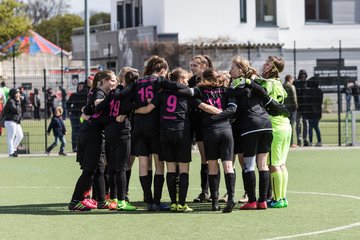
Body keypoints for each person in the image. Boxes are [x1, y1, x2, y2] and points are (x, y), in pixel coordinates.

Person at [68, 70, 118, 211]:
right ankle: (75, 201)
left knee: (99, 169)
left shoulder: (101, 92)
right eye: (112, 80)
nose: (114, 83)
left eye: (115, 81)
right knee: (89, 171)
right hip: (91, 135)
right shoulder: (99, 92)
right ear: (103, 81)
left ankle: (101, 200)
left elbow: (89, 110)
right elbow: (97, 103)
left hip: (94, 134)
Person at [228, 56, 272, 210]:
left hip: (250, 126)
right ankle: (263, 200)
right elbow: (265, 93)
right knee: (263, 164)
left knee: (249, 165)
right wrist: (250, 82)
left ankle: (252, 201)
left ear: (240, 69)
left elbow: (234, 108)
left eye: (232, 67)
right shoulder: (254, 83)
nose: (230, 70)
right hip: (266, 124)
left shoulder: (236, 86)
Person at [258, 56, 291, 208]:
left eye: (267, 64)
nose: (264, 65)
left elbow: (260, 89)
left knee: (273, 165)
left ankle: (278, 199)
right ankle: (282, 198)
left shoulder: (268, 83)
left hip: (275, 127)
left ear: (273, 68)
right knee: (281, 164)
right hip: (285, 125)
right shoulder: (279, 84)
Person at [188, 55, 215, 203]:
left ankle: (214, 192)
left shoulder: (212, 79)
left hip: (212, 123)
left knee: (214, 159)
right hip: (198, 123)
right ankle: (205, 192)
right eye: (191, 65)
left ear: (203, 66)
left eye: (195, 65)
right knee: (205, 159)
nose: (192, 68)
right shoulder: (191, 81)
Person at [66, 82, 87, 152]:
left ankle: (81, 146)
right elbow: (68, 103)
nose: (80, 87)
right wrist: (69, 111)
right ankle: (74, 147)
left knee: (82, 130)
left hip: (82, 116)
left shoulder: (86, 95)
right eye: (79, 86)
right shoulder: (74, 95)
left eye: (82, 86)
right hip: (74, 116)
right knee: (75, 131)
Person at [3, 88, 23, 157]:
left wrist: (18, 101)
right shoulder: (11, 101)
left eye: (19, 93)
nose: (18, 94)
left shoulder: (17, 101)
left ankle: (14, 149)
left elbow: (19, 112)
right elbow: (16, 110)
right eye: (16, 93)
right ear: (13, 94)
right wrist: (18, 102)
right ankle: (11, 153)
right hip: (10, 121)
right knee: (10, 137)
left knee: (20, 135)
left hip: (16, 122)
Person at [305, 80, 323, 147]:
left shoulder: (309, 91)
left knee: (310, 127)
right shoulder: (320, 91)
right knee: (316, 127)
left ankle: (310, 141)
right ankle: (319, 141)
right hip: (318, 111)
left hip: (310, 111)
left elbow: (306, 101)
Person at [294, 69, 309, 146]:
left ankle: (305, 139)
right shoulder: (296, 83)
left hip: (306, 107)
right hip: (298, 107)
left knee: (306, 123)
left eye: (304, 75)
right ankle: (299, 140)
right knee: (298, 124)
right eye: (302, 75)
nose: (303, 77)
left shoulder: (307, 83)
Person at [283, 75, 298, 147]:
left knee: (283, 126)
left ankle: (285, 142)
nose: (293, 81)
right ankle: (291, 142)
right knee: (291, 126)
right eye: (292, 79)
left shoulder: (282, 86)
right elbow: (294, 98)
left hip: (283, 108)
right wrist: (296, 107)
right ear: (289, 79)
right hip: (291, 109)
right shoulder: (292, 87)